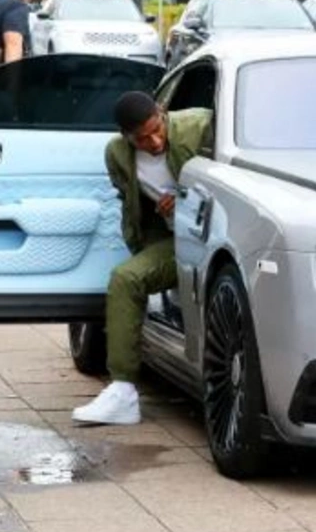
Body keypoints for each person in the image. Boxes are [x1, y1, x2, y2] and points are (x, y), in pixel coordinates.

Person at [72, 92, 213, 425]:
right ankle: (122, 391)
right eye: (142, 138)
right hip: (174, 243)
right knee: (125, 278)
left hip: (217, 236)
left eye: (156, 129)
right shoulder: (117, 155)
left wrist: (185, 200)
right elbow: (130, 202)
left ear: (162, 113)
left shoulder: (200, 125)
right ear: (126, 137)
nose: (153, 141)